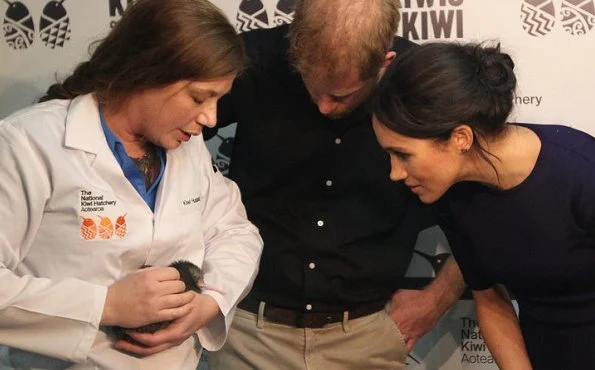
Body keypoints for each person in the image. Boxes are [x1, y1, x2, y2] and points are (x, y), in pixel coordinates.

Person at [0, 0, 263, 368]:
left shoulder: (186, 146)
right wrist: (105, 305)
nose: (211, 117)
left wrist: (211, 301)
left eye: (219, 99)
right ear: (147, 72)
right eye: (200, 97)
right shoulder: (28, 144)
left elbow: (235, 230)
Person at [205, 1, 465, 369]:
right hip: (248, 334)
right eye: (313, 89)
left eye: (342, 95)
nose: (324, 107)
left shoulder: (424, 82)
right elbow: (162, 140)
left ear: (385, 63)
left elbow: (487, 199)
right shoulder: (252, 60)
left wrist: (440, 295)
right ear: (294, 48)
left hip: (368, 337)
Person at [371, 41, 595, 370]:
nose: (395, 172)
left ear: (460, 138)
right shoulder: (451, 196)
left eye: (403, 154)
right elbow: (490, 300)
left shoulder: (581, 174)